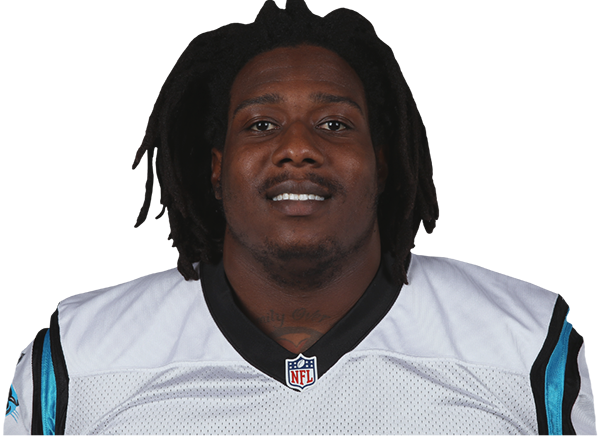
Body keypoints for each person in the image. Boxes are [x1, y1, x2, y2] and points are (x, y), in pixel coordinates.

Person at [5, 1, 592, 434]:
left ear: (382, 163)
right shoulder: (81, 357)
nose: (297, 148)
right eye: (261, 125)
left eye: (334, 123)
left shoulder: (530, 345)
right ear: (217, 168)